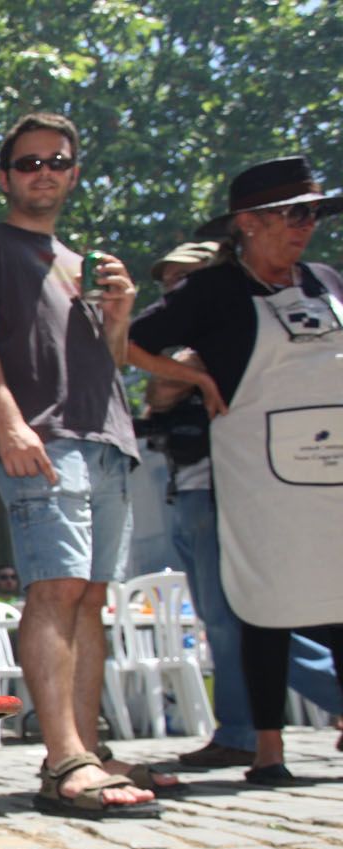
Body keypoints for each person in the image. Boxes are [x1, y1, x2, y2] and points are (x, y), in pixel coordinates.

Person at [0, 112, 175, 818]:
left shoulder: (81, 260)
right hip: (42, 438)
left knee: (92, 598)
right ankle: (63, 760)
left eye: (57, 160)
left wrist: (119, 316)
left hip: (109, 436)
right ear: (5, 177)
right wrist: (6, 421)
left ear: (74, 171)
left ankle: (83, 747)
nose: (43, 172)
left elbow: (109, 360)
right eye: (28, 162)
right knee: (54, 589)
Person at [130, 155, 343, 785]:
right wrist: (193, 375)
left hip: (334, 467)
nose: (304, 226)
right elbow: (131, 341)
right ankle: (266, 749)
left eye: (312, 213)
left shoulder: (329, 280)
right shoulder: (212, 291)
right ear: (247, 223)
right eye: (291, 214)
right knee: (261, 600)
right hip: (260, 471)